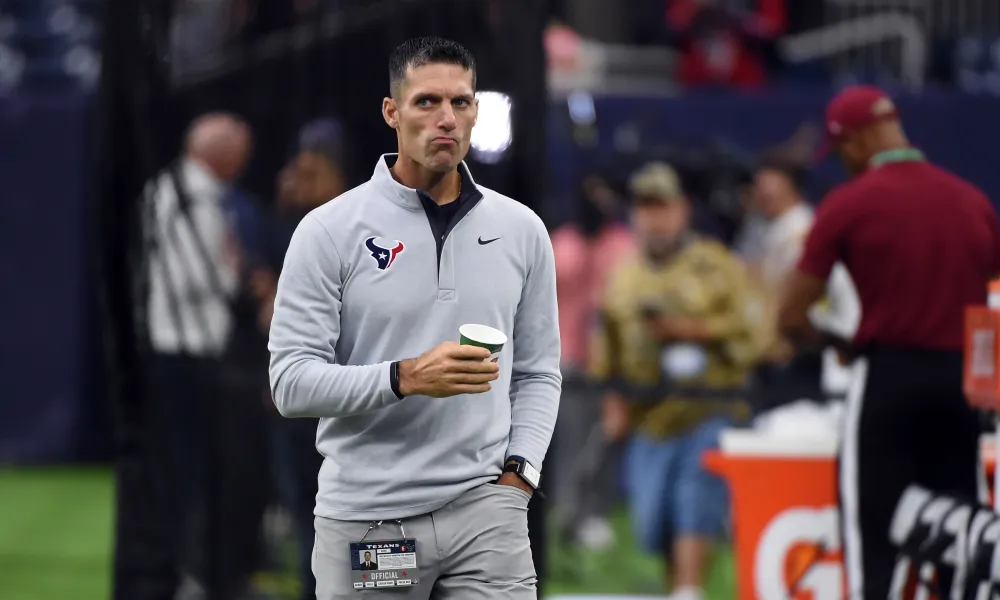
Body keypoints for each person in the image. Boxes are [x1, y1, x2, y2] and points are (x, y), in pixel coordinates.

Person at [267, 37, 561, 600]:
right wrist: (404, 377)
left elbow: (540, 373)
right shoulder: (329, 230)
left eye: (462, 102)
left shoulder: (522, 230)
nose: (446, 118)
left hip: (487, 511)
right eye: (427, 102)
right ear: (392, 112)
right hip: (372, 516)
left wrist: (520, 474)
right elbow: (290, 383)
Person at [779, 85, 1000, 600]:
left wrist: (837, 342)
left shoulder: (850, 204)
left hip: (886, 379)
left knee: (872, 540)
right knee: (959, 534)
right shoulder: (973, 203)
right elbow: (989, 311)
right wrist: (984, 393)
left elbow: (789, 315)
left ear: (854, 142)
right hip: (960, 386)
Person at [593, 162, 756, 600]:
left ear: (682, 210)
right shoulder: (623, 276)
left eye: (662, 206)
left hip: (708, 406)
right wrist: (613, 400)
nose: (654, 218)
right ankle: (677, 589)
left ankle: (689, 589)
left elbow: (753, 330)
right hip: (650, 417)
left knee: (694, 500)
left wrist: (691, 330)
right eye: (645, 207)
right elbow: (605, 343)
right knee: (652, 520)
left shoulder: (715, 265)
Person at [121, 112, 255, 600]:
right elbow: (186, 281)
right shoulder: (180, 197)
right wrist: (233, 275)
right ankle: (189, 574)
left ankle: (203, 570)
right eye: (240, 151)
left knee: (202, 468)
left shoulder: (184, 193)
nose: (244, 162)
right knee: (190, 469)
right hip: (182, 355)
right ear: (216, 151)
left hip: (191, 354)